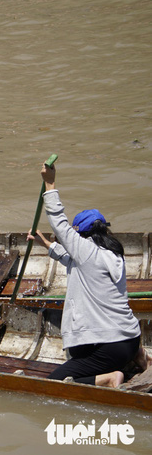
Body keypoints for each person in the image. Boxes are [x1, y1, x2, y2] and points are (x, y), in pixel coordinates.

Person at [28, 162, 148, 387]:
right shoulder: (112, 252)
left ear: (80, 233)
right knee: (79, 350)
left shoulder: (85, 250)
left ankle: (111, 377)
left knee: (55, 381)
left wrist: (49, 183)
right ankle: (138, 357)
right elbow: (71, 259)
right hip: (130, 339)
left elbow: (59, 222)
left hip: (110, 346)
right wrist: (45, 244)